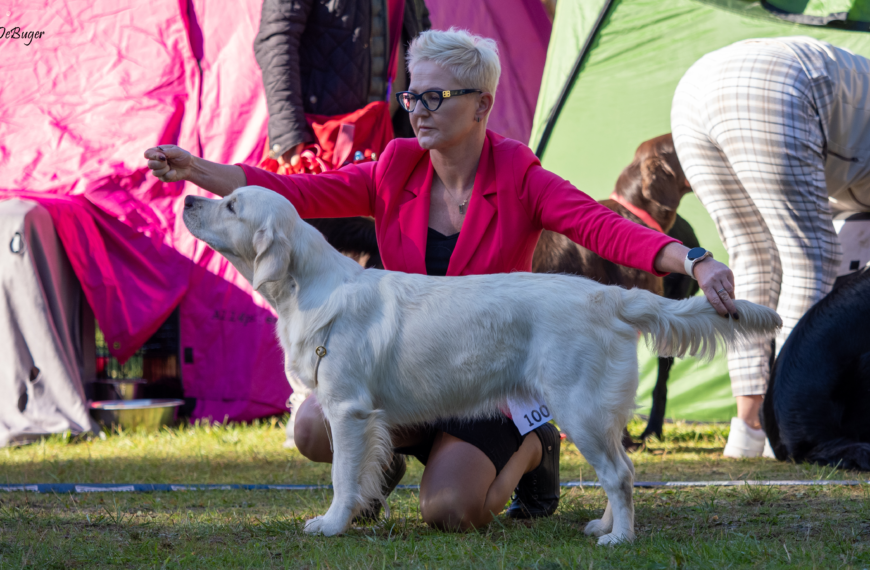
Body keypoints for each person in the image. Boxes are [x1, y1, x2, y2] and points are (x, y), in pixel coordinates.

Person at [146, 29, 738, 530]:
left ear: (481, 106)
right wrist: (197, 169)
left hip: (492, 375)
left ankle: (535, 447)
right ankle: (376, 475)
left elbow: (601, 227)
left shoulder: (521, 175)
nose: (418, 109)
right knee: (314, 424)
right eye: (413, 95)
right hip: (410, 373)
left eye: (435, 95)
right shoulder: (393, 167)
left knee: (452, 512)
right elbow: (297, 194)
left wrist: (693, 260)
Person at [671, 36, 870, 458]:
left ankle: (748, 428)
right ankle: (794, 422)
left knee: (753, 256)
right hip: (777, 84)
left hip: (693, 90)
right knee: (812, 257)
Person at [255, 0, 430, 169]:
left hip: (394, 132)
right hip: (323, 140)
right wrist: (288, 130)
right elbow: (277, 39)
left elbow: (420, 29)